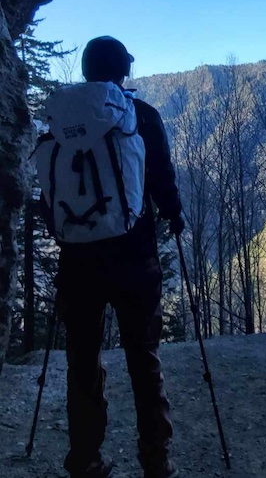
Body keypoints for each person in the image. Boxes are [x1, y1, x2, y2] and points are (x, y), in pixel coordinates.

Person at [39, 36, 184, 478]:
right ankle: (155, 460)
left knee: (82, 360)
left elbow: (49, 193)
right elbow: (161, 177)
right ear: (123, 71)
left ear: (85, 72)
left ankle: (85, 460)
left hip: (78, 262)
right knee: (144, 358)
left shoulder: (60, 122)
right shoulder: (140, 116)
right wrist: (174, 216)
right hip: (134, 260)